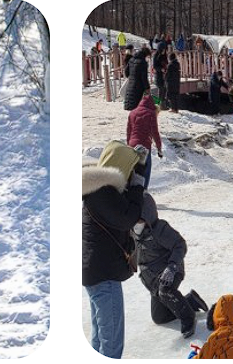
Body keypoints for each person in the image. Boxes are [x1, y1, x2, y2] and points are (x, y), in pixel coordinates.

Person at [82, 142, 147, 359]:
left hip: (95, 272)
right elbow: (128, 217)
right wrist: (137, 185)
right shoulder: (103, 193)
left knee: (101, 335)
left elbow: (123, 207)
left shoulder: (97, 188)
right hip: (103, 274)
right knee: (111, 340)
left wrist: (140, 169)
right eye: (130, 168)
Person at [134, 194, 207, 339]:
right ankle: (190, 301)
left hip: (171, 270)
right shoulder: (132, 232)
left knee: (165, 291)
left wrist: (172, 266)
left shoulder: (160, 229)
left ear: (148, 215)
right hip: (152, 278)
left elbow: (180, 244)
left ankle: (188, 317)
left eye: (139, 219)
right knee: (159, 318)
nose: (136, 222)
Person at [127, 93, 163, 188]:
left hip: (132, 145)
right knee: (145, 168)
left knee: (132, 168)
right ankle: (143, 190)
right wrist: (159, 148)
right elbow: (155, 133)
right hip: (145, 146)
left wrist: (128, 145)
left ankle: (131, 190)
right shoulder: (151, 114)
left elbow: (129, 131)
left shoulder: (132, 112)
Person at [123, 47, 150, 111]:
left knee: (131, 107)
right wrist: (147, 87)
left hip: (130, 85)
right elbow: (144, 78)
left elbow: (126, 72)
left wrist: (132, 78)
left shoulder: (131, 59)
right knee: (137, 107)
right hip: (138, 87)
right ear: (145, 54)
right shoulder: (143, 63)